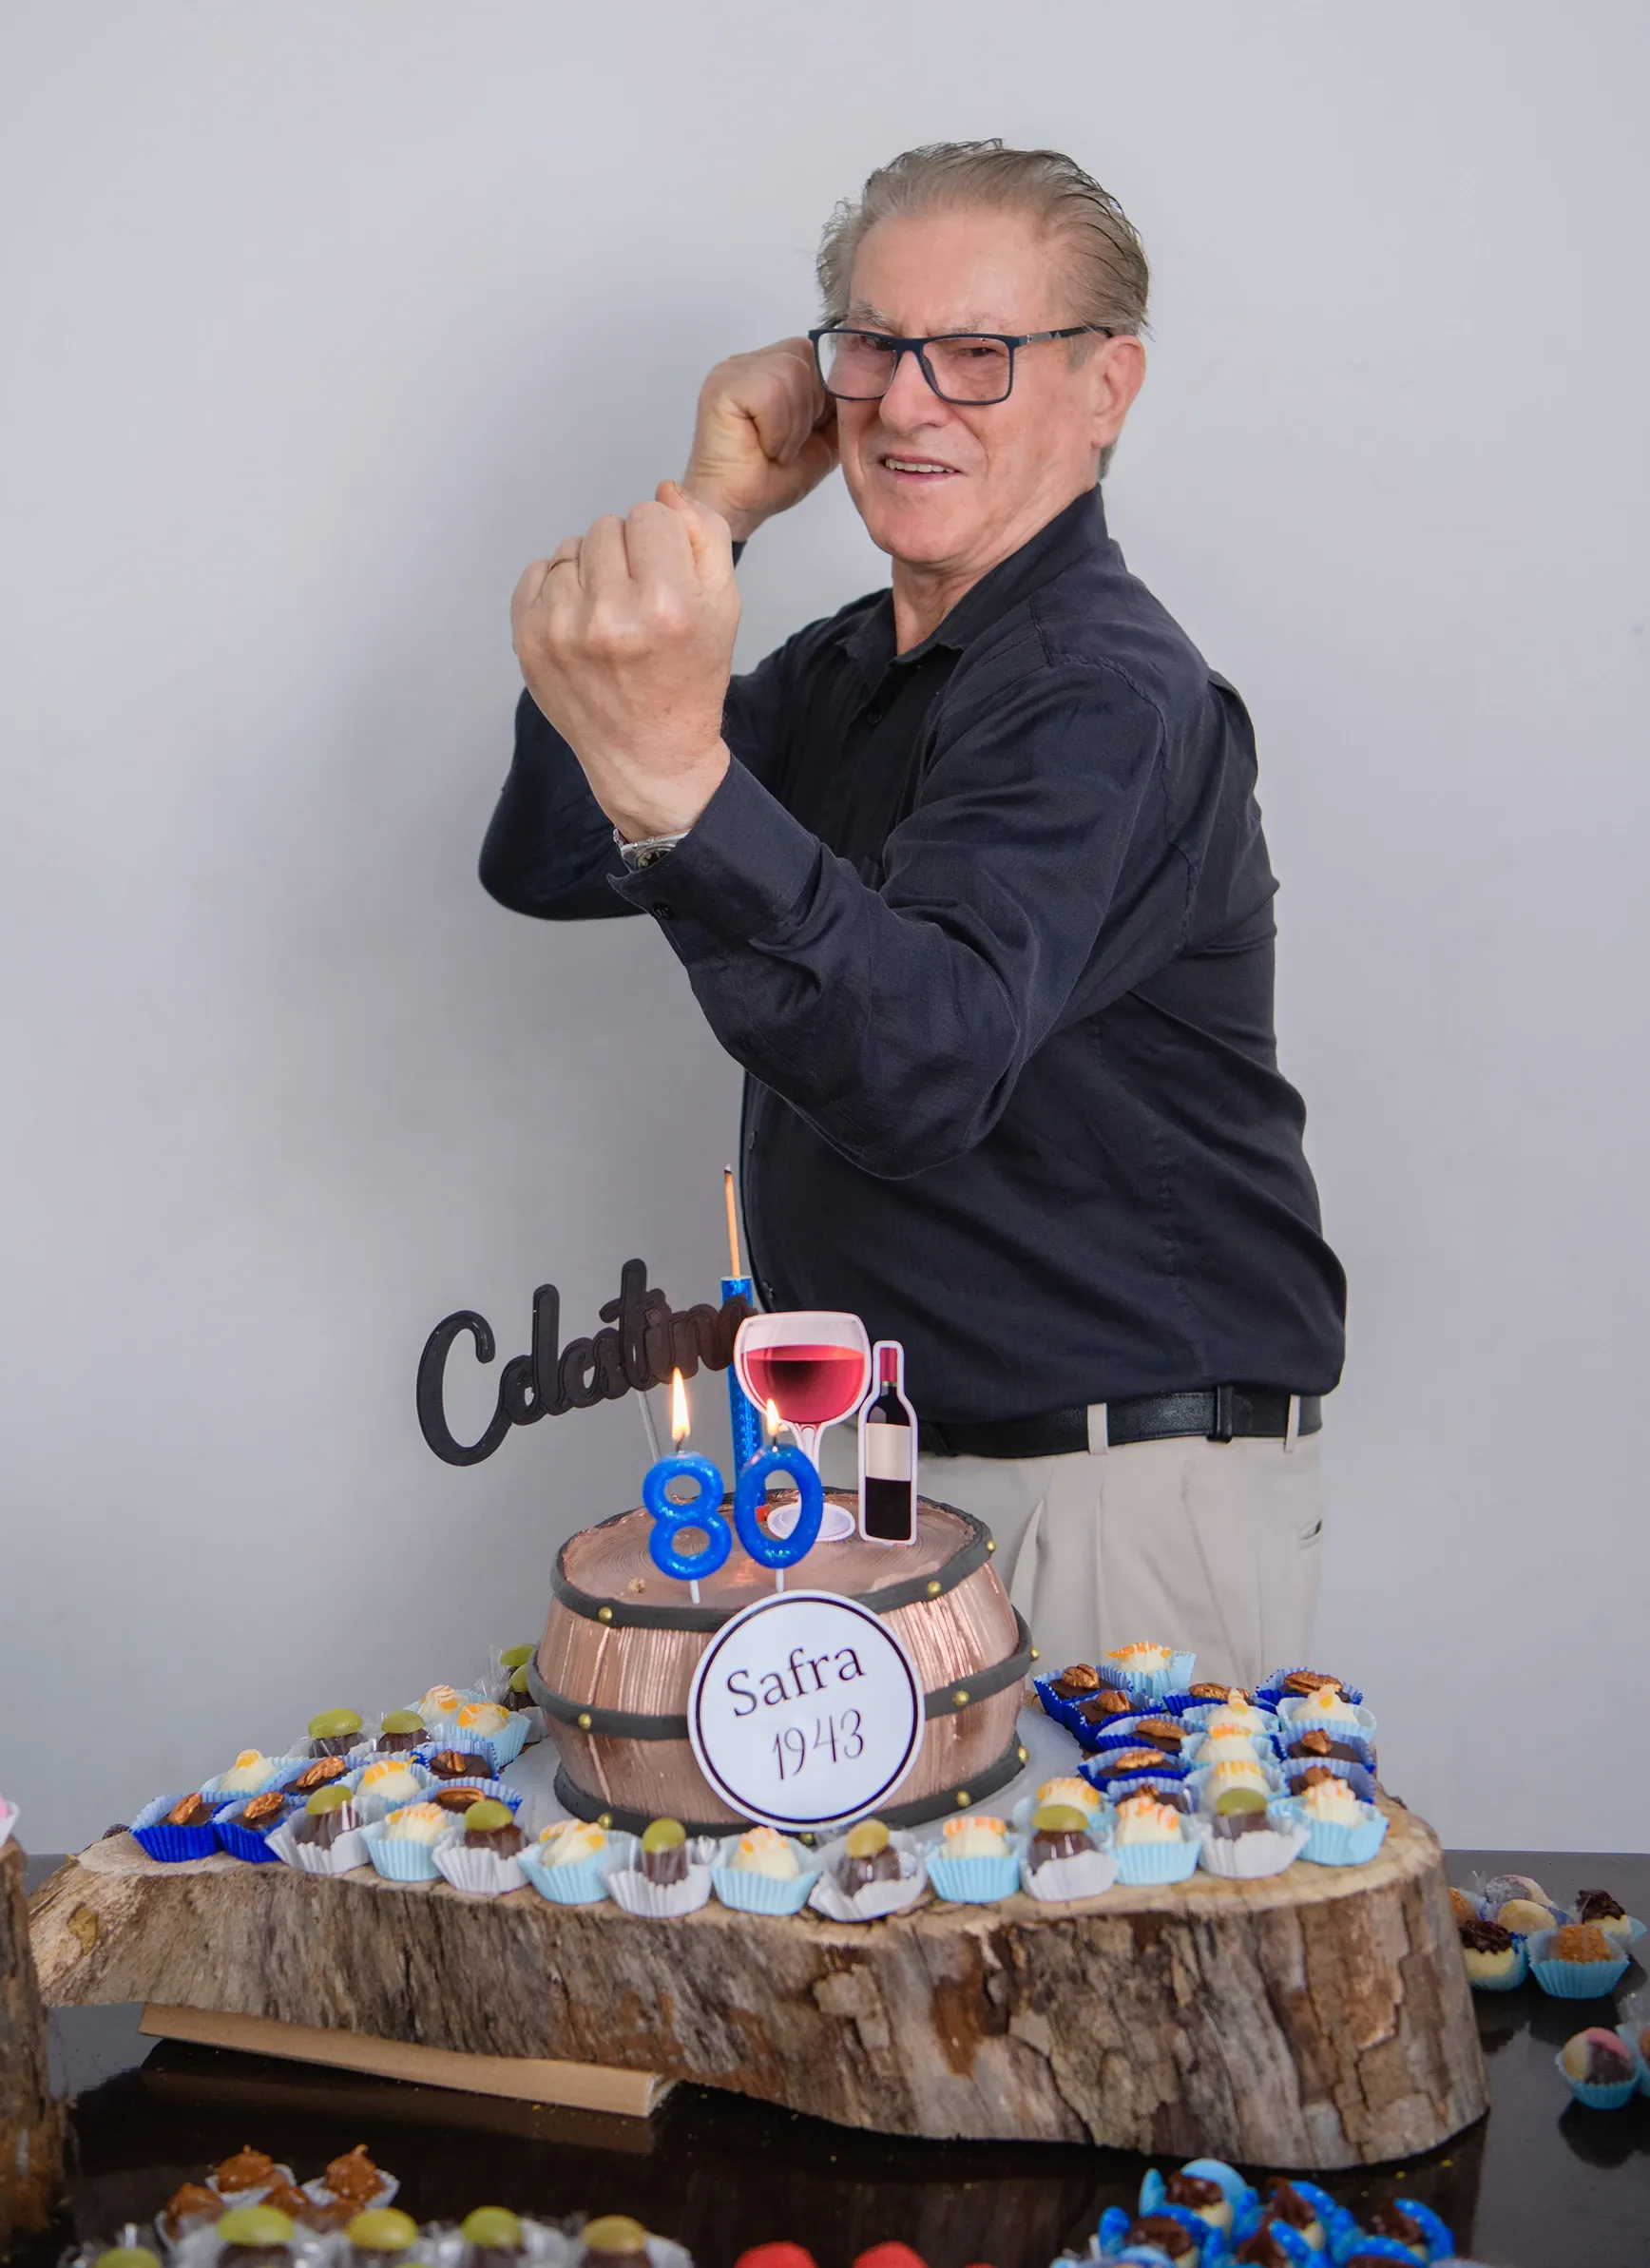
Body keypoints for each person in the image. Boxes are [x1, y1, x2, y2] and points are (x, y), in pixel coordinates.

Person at [480, 141, 1346, 1687]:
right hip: (893, 1483)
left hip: (1106, 1505)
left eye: (981, 353)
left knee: (1119, 1935)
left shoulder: (1104, 691)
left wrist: (677, 769)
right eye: (874, 343)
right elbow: (552, 851)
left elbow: (919, 1064)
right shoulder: (850, 670)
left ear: (1109, 387)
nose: (908, 397)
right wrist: (707, 509)